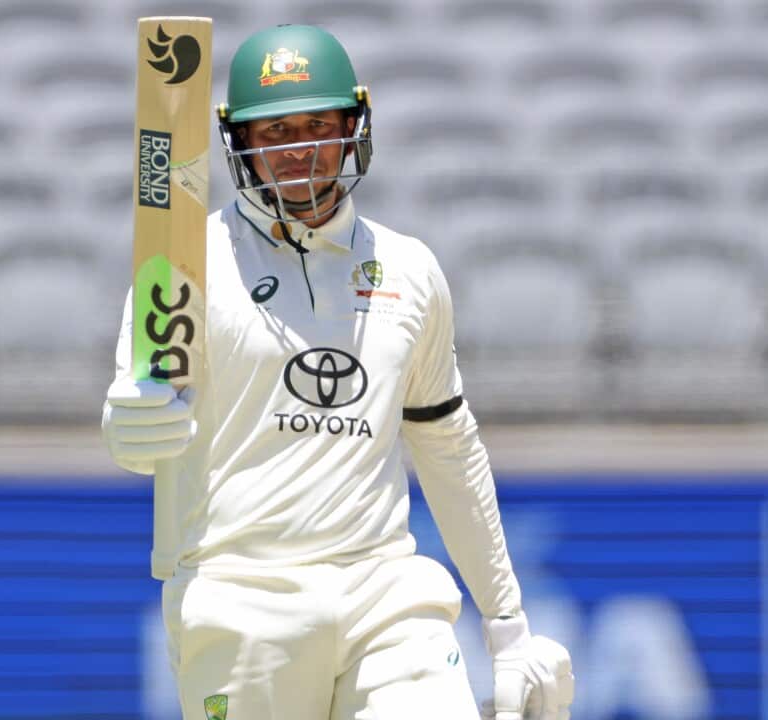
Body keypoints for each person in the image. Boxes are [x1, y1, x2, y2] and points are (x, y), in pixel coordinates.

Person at [102, 23, 574, 720]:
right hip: (240, 593)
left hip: (384, 589)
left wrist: (507, 628)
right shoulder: (182, 262)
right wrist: (127, 422)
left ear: (354, 125)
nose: (298, 150)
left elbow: (448, 447)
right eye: (275, 131)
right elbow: (140, 412)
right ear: (240, 145)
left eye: (317, 125)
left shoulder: (410, 271)